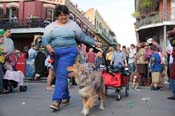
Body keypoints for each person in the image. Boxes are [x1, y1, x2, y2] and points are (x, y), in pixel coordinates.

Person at [42, 5, 100, 111]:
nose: (63, 18)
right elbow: (45, 39)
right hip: (55, 53)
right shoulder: (51, 27)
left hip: (69, 52)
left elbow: (82, 37)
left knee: (61, 75)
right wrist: (48, 46)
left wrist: (94, 42)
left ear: (68, 15)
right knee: (60, 74)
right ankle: (66, 97)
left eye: (65, 16)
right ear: (56, 16)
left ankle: (56, 100)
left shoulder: (73, 25)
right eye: (60, 16)